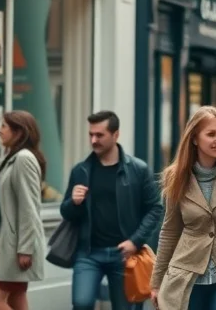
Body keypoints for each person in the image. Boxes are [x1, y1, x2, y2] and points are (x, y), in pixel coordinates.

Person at [60, 111, 163, 310]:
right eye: (91, 134)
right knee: (81, 303)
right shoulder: (81, 170)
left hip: (124, 255)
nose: (93, 140)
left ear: (115, 135)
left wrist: (135, 241)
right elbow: (67, 213)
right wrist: (73, 202)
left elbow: (154, 209)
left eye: (99, 135)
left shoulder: (138, 169)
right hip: (88, 252)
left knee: (125, 307)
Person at [151, 106, 216, 310]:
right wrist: (156, 282)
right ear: (195, 138)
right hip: (187, 275)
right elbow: (170, 231)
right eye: (211, 134)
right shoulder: (176, 177)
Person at [0, 111, 47, 310]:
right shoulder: (12, 157)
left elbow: (29, 206)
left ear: (19, 131)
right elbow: (7, 196)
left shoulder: (24, 159)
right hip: (1, 240)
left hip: (14, 245)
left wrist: (25, 248)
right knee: (15, 299)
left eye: (4, 126)